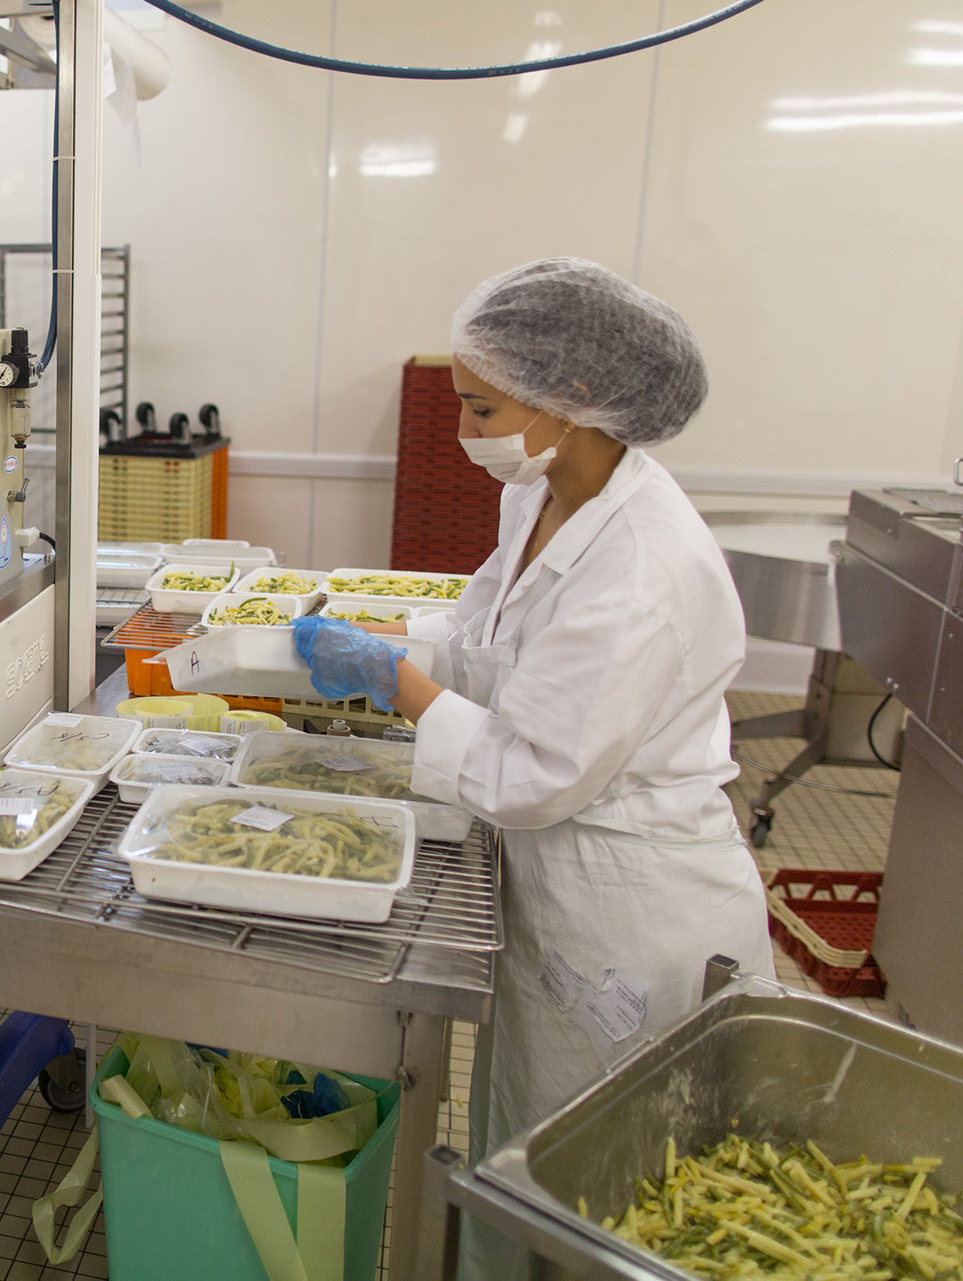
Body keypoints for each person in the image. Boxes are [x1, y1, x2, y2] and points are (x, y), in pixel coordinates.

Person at [292, 257, 773, 1254]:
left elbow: (531, 773)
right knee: (522, 1141)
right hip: (556, 875)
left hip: (627, 905)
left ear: (575, 399)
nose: (465, 432)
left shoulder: (642, 567)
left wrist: (393, 684)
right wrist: (404, 658)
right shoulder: (545, 490)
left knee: (604, 1182)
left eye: (479, 407)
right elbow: (487, 644)